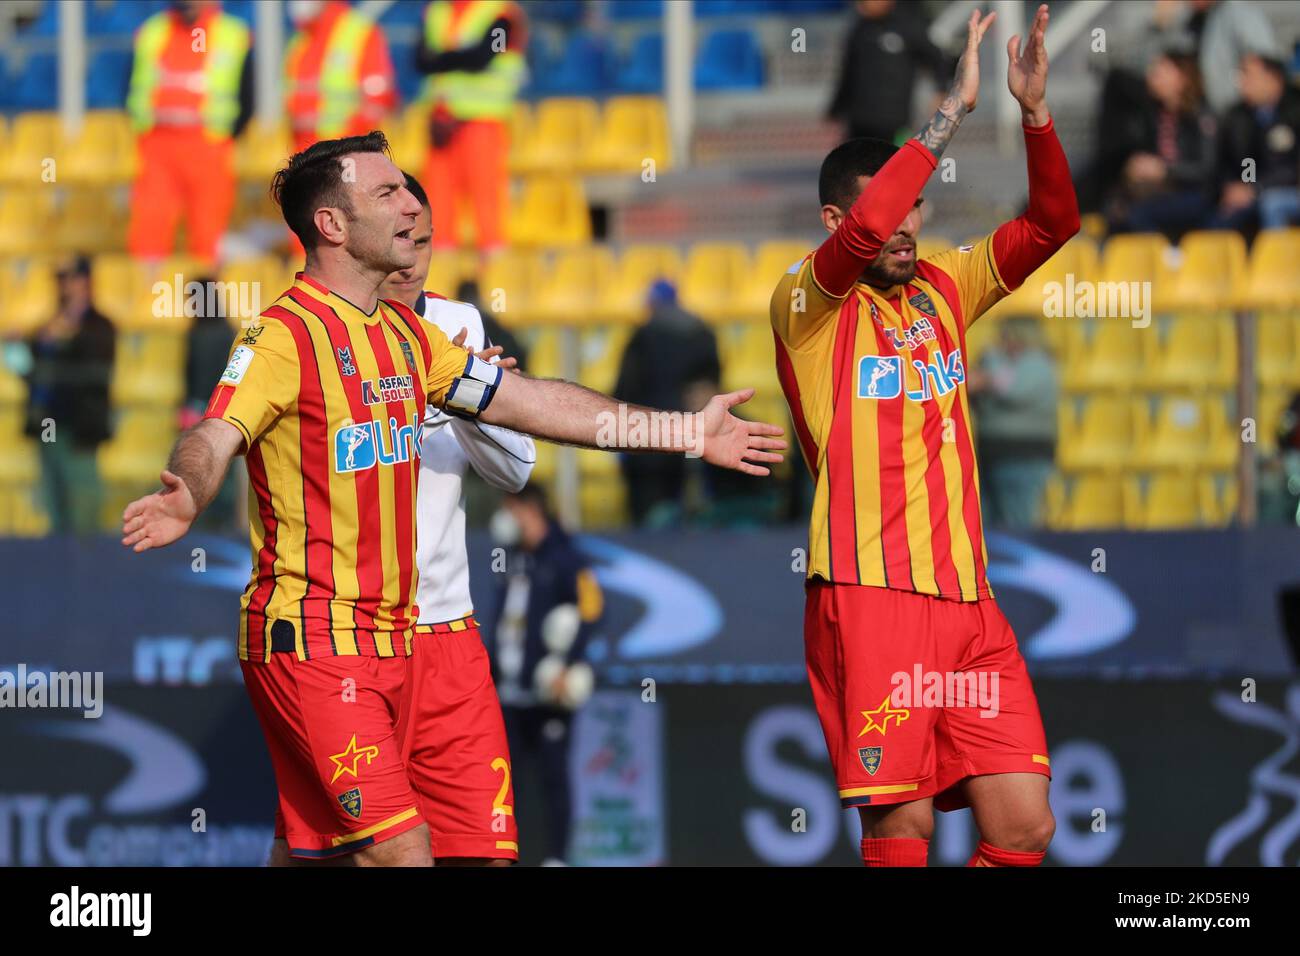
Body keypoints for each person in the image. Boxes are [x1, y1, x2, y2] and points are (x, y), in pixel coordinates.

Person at [120, 131, 783, 866]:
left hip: (404, 641)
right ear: (332, 226)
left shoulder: (408, 337)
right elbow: (216, 433)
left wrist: (685, 430)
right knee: (402, 851)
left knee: (342, 852)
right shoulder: (283, 336)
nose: (412, 206)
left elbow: (534, 405)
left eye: (408, 190)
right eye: (388, 194)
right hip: (314, 639)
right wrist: (189, 491)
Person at [770, 6, 1077, 868]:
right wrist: (948, 115)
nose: (907, 227)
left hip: (971, 603)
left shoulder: (946, 286)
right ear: (836, 221)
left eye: (916, 213)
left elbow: (1053, 225)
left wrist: (1034, 114)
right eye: (889, 212)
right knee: (901, 829)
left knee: (1025, 829)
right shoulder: (806, 307)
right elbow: (872, 227)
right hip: (871, 596)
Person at [377, 171, 535, 865]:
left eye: (426, 240)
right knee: (338, 853)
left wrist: (470, 396)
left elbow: (516, 469)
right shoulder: (311, 334)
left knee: (484, 852)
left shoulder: (459, 325)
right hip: (352, 636)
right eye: (399, 238)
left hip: (447, 631)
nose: (412, 257)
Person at [487, 483, 601, 866]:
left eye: (511, 510)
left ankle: (557, 858)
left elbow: (592, 611)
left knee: (554, 776)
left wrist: (568, 664)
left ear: (528, 510)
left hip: (549, 692)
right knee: (500, 782)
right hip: (507, 692)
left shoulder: (567, 556)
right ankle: (500, 854)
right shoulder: (511, 556)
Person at [124, 0, 252, 262]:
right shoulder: (152, 32)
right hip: (156, 144)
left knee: (208, 232)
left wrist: (225, 135)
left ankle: (204, 298)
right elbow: (131, 88)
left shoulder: (233, 35)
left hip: (209, 145)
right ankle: (147, 298)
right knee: (149, 228)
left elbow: (248, 98)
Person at [416, 0, 527, 259]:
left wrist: (440, 58)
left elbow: (482, 57)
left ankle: (494, 262)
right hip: (442, 120)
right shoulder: (436, 12)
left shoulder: (500, 13)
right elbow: (420, 60)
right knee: (438, 196)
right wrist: (456, 58)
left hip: (482, 120)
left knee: (485, 195)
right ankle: (440, 264)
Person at [613, 280, 720, 526]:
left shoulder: (644, 335)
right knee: (685, 516)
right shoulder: (702, 332)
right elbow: (711, 388)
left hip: (645, 437)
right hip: (689, 438)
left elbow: (625, 387)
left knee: (646, 519)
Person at [24, 256, 115, 536]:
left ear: (85, 281)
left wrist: (64, 341)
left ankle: (85, 575)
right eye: (61, 279)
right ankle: (61, 574)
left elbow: (95, 374)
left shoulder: (98, 325)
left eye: (70, 279)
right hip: (47, 426)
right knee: (54, 509)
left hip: (79, 432)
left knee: (83, 510)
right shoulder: (50, 325)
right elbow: (34, 369)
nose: (64, 286)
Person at [1103, 47, 1218, 241]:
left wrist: (1164, 170)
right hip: (1160, 191)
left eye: (1161, 70)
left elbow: (1206, 170)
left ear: (1182, 77)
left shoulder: (1201, 117)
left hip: (1195, 194)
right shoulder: (1151, 115)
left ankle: (1164, 263)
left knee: (1138, 214)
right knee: (1114, 208)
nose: (1153, 75)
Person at [967, 317, 1059, 529]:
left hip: (1023, 458)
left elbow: (1012, 390)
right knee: (986, 523)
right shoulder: (998, 361)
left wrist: (987, 366)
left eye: (1006, 333)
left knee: (1018, 523)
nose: (1001, 339)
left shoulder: (1038, 363)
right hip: (990, 455)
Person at [828, 0, 952, 143]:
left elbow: (938, 60)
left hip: (895, 122)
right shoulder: (859, 30)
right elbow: (848, 74)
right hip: (859, 122)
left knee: (897, 163)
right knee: (857, 163)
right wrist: (835, 110)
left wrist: (941, 91)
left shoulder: (908, 27)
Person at [284, 1, 397, 156]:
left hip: (347, 153)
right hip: (306, 154)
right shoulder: (300, 39)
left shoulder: (359, 32)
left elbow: (378, 101)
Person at [1213, 53, 1300, 233]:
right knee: (1220, 218)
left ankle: (1279, 260)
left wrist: (1256, 188)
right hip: (1260, 191)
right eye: (1240, 75)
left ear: (1274, 79)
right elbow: (1247, 160)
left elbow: (1293, 166)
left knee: (1273, 204)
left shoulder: (1294, 110)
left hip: (1288, 190)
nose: (1242, 82)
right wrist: (1245, 186)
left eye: (1248, 74)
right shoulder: (1242, 116)